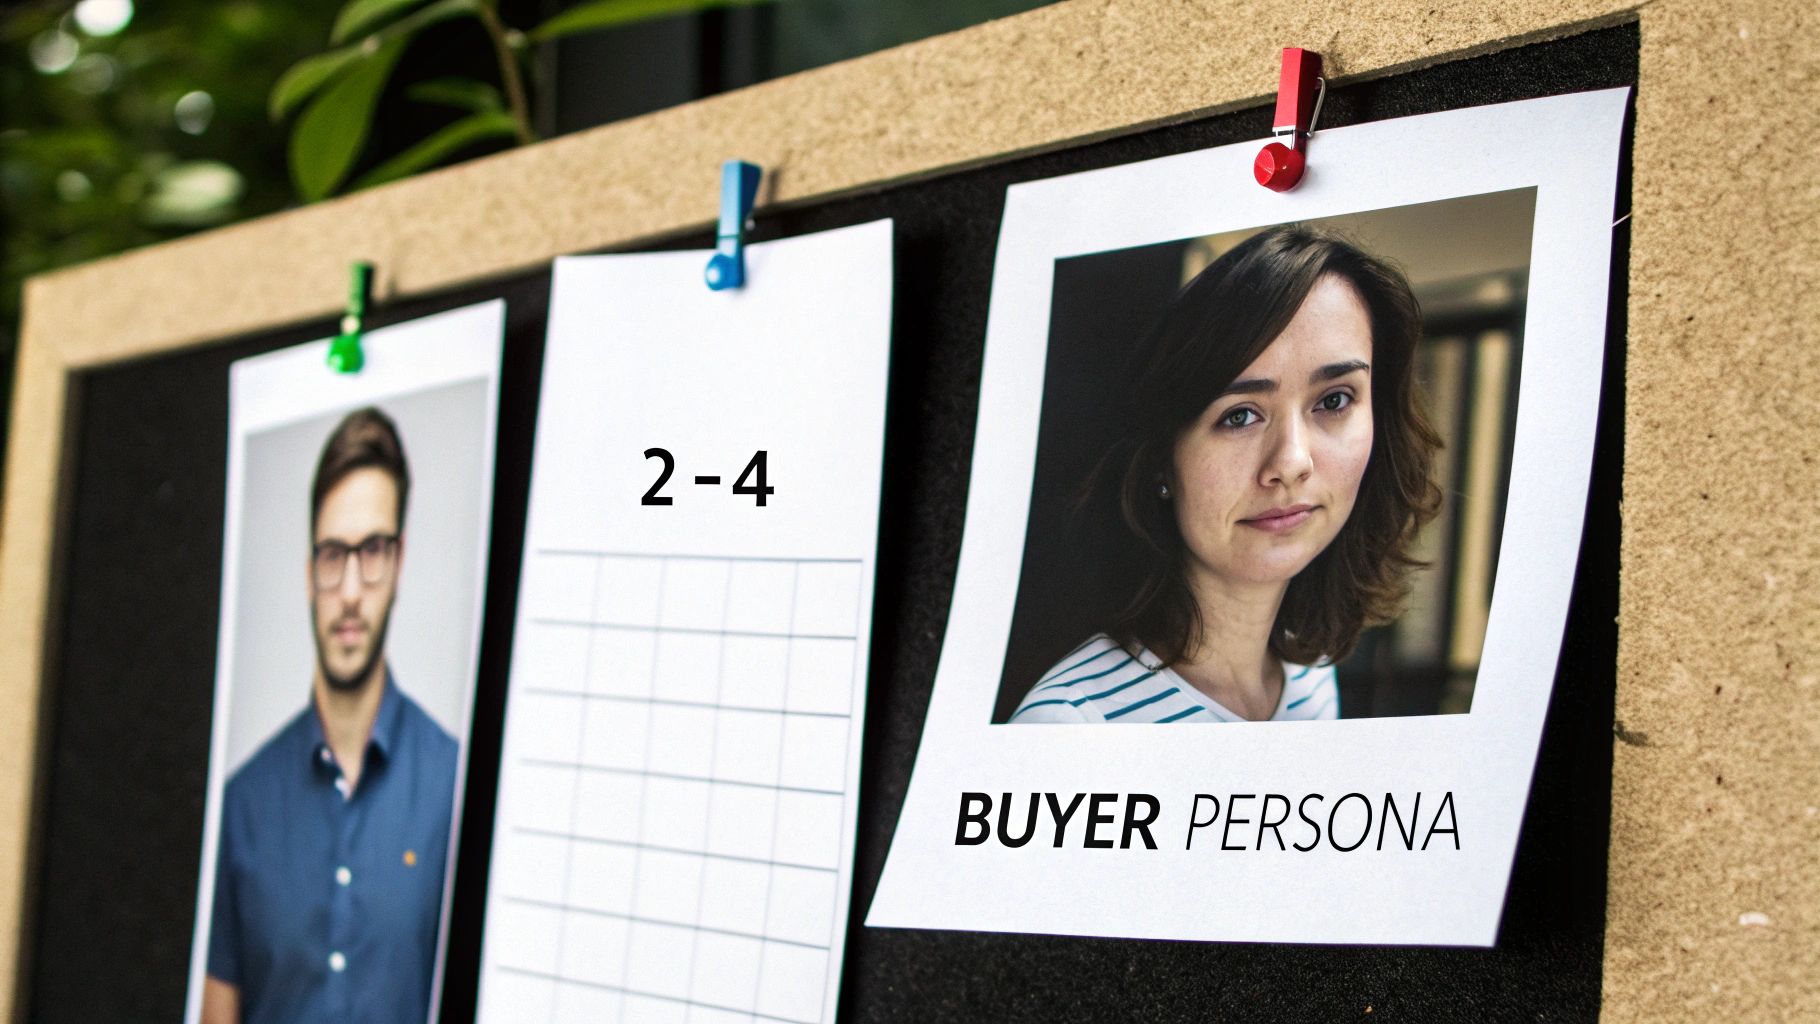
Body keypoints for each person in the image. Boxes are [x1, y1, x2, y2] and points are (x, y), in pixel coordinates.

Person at [1010, 225, 1441, 724]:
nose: (1292, 462)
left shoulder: (1310, 671)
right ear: (1160, 460)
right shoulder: (1072, 723)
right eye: (1239, 415)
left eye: (1334, 400)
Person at [203, 408, 458, 1024]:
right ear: (306, 570)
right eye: (332, 554)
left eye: (371, 551)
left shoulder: (457, 785)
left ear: (399, 565)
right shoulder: (243, 802)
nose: (349, 589)